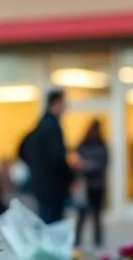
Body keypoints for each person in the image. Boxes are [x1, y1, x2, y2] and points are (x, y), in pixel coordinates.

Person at [20, 87, 73, 224]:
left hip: (41, 183)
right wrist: (70, 176)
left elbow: (22, 149)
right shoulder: (52, 126)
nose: (65, 108)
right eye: (63, 103)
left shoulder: (40, 125)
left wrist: (35, 167)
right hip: (53, 186)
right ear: (56, 103)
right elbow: (57, 157)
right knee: (51, 226)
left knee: (45, 221)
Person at [74, 118, 108, 249]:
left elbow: (103, 164)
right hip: (86, 185)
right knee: (82, 216)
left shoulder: (101, 145)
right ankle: (77, 242)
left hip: (97, 185)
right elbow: (76, 162)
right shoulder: (83, 145)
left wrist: (87, 166)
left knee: (97, 216)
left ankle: (98, 242)